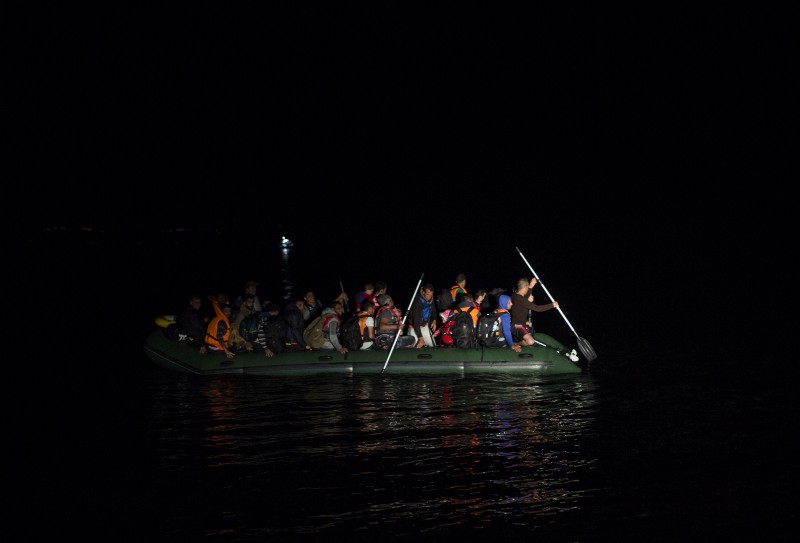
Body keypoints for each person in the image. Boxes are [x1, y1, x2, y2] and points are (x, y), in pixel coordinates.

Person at [510, 277, 559, 347]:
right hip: (517, 326)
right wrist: (552, 305)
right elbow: (537, 308)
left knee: (531, 332)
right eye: (527, 288)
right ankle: (516, 344)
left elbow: (521, 306)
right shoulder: (521, 299)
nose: (527, 289)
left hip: (518, 323)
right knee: (531, 341)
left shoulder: (514, 296)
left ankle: (520, 341)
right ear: (524, 287)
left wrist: (531, 286)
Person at [407, 282, 437, 348]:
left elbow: (434, 311)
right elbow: (416, 323)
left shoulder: (431, 298)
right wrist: (420, 338)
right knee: (415, 348)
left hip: (425, 326)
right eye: (427, 294)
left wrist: (434, 320)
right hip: (414, 328)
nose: (429, 297)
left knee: (433, 346)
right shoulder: (417, 302)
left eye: (431, 295)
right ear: (423, 292)